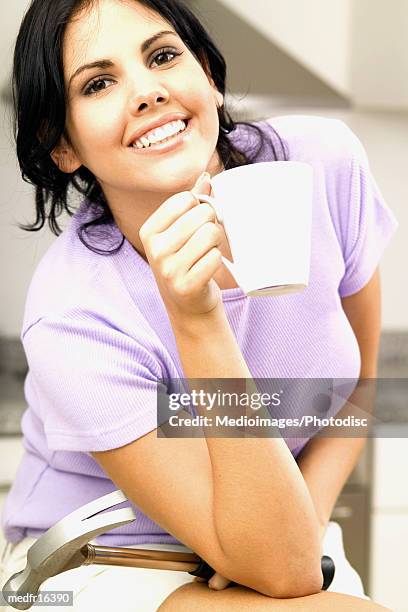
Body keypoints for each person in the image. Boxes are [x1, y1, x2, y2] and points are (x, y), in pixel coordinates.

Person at [0, 0, 398, 610]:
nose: (148, 91)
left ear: (209, 78)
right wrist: (196, 318)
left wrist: (305, 522)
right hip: (105, 557)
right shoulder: (73, 317)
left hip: (279, 523)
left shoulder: (322, 164)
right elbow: (285, 576)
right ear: (62, 147)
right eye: (99, 83)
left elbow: (355, 386)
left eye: (163, 56)